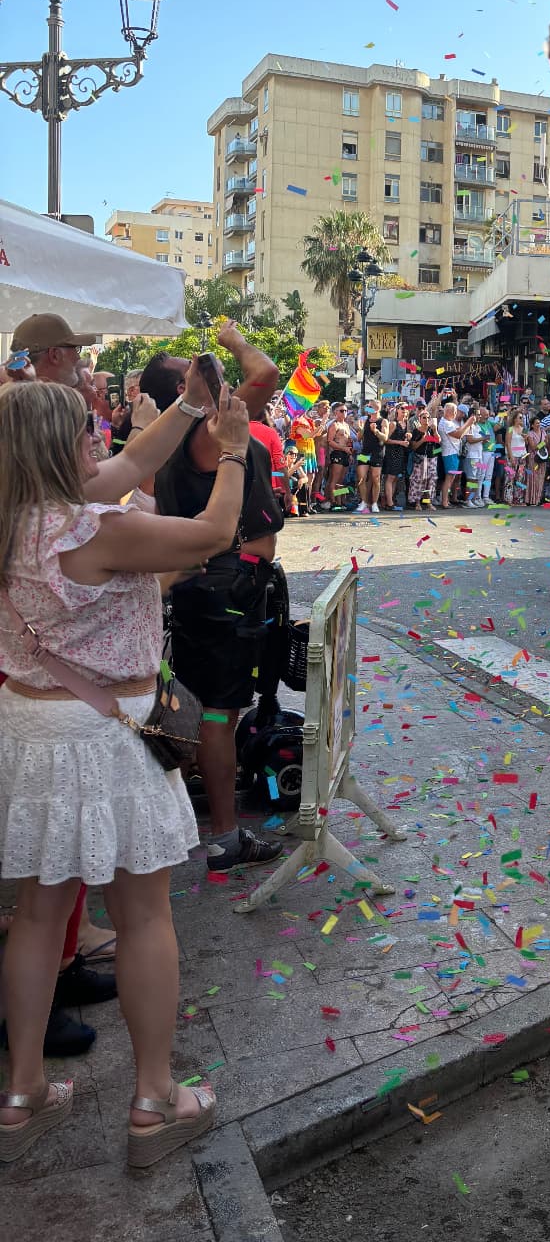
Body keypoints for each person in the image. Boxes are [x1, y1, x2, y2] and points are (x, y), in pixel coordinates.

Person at [0, 377, 250, 1165]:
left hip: (31, 723)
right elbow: (215, 532)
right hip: (105, 733)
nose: (97, 439)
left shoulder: (14, 517)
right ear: (57, 446)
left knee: (38, 915)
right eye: (84, 430)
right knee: (142, 916)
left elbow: (129, 464)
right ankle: (153, 1099)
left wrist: (185, 409)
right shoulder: (95, 530)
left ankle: (22, 1092)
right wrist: (234, 451)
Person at [139, 323, 284, 869]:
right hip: (225, 588)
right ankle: (225, 836)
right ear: (184, 391)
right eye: (194, 370)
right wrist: (233, 341)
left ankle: (191, 818)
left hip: (210, 586)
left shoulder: (166, 442)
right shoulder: (205, 432)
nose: (208, 369)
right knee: (218, 716)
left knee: (208, 709)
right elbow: (266, 373)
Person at [356, 403, 387, 515]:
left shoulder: (383, 421)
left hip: (377, 452)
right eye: (368, 406)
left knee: (376, 479)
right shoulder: (364, 420)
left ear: (377, 408)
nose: (368, 408)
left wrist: (376, 431)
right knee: (361, 478)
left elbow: (385, 438)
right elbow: (359, 438)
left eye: (370, 406)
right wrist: (360, 430)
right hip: (364, 452)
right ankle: (364, 502)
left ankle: (374, 503)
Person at [322, 403, 354, 511]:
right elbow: (330, 441)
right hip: (337, 453)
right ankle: (333, 502)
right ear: (336, 412)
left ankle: (339, 501)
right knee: (334, 480)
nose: (344, 413)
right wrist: (343, 448)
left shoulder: (346, 425)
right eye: (341, 411)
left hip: (345, 454)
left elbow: (348, 441)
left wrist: (350, 453)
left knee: (341, 481)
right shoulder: (334, 425)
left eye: (346, 411)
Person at [406, 408, 438, 507]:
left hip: (432, 458)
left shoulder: (432, 430)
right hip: (420, 458)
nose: (426, 419)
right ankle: (417, 503)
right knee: (419, 480)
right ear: (419, 419)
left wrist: (435, 430)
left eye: (428, 418)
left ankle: (428, 502)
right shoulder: (416, 431)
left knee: (431, 480)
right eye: (424, 418)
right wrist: (422, 440)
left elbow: (438, 441)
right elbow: (413, 447)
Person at [437, 401, 466, 510]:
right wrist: (468, 423)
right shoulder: (446, 423)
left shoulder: (447, 422)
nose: (455, 414)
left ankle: (446, 500)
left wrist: (466, 426)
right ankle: (444, 502)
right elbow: (458, 435)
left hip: (451, 452)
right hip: (450, 453)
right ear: (448, 411)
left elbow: (458, 431)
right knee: (449, 478)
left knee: (452, 478)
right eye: (454, 412)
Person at [380, 405, 408, 511]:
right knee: (390, 478)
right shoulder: (393, 423)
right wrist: (400, 442)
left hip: (401, 453)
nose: (404, 410)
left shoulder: (406, 423)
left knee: (395, 478)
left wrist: (408, 436)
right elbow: (386, 440)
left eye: (406, 408)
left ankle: (390, 501)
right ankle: (389, 503)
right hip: (392, 452)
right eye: (402, 408)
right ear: (397, 410)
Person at [503, 409, 528, 505]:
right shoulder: (510, 429)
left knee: (520, 478)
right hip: (512, 455)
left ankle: (518, 499)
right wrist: (511, 457)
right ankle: (508, 499)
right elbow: (508, 443)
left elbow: (525, 443)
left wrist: (526, 438)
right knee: (510, 478)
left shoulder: (523, 429)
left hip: (522, 455)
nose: (521, 419)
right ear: (514, 419)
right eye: (520, 417)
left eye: (522, 418)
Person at [525, 417, 548, 507]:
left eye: (539, 423)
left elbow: (547, 444)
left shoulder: (543, 432)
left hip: (542, 457)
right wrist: (543, 443)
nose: (539, 425)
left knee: (541, 478)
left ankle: (538, 499)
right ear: (532, 425)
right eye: (537, 423)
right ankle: (531, 499)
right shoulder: (530, 434)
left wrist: (547, 442)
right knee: (533, 478)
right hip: (533, 458)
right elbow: (533, 447)